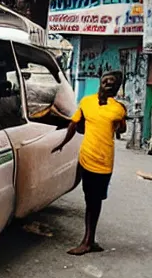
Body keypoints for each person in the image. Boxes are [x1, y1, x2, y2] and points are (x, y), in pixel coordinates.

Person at [52, 70, 127, 255]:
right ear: (100, 82)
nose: (109, 84)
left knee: (95, 201)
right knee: (89, 198)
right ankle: (89, 240)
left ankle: (88, 241)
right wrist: (62, 143)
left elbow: (122, 129)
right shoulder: (86, 102)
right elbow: (74, 124)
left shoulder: (118, 108)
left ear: (117, 88)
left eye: (114, 83)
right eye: (106, 81)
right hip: (86, 157)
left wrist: (119, 124)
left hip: (104, 162)